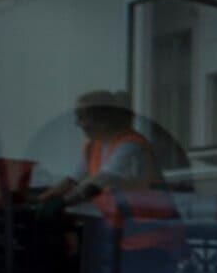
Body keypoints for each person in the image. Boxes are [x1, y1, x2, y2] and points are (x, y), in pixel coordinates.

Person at [30, 89, 161, 213]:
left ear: (103, 121)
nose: (77, 124)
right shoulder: (93, 145)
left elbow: (98, 183)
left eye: (82, 118)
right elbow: (72, 179)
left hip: (149, 224)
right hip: (121, 220)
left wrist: (62, 203)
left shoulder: (130, 145)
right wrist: (44, 198)